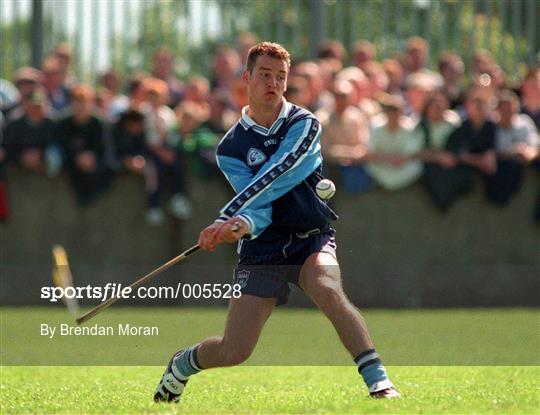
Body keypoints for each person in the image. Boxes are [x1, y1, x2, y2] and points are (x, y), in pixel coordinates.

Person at [154, 42, 400, 404]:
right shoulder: (230, 148)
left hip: (311, 236)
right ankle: (182, 364)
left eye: (281, 77)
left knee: (328, 289)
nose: (273, 83)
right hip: (263, 247)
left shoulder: (305, 124)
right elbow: (260, 207)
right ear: (247, 78)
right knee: (233, 350)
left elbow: (280, 172)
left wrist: (225, 216)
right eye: (265, 75)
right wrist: (239, 225)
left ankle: (378, 381)